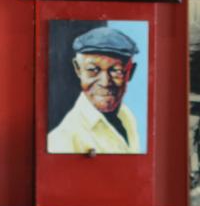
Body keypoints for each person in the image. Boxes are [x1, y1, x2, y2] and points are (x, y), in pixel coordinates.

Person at [47, 25, 144, 154]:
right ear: (78, 69)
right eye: (93, 70)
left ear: (130, 72)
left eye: (116, 71)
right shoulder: (62, 139)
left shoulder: (127, 116)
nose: (105, 83)